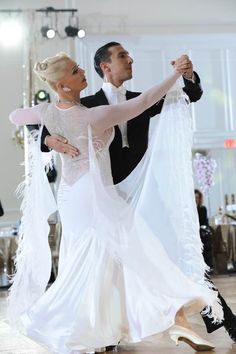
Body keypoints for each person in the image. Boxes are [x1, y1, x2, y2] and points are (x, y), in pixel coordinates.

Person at [9, 52, 222, 354]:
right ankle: (171, 318)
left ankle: (103, 331)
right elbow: (145, 100)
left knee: (99, 262)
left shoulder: (47, 110)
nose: (83, 71)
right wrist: (175, 74)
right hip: (93, 195)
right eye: (75, 70)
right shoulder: (93, 116)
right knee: (134, 254)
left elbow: (15, 117)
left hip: (70, 197)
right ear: (63, 84)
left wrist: (49, 139)